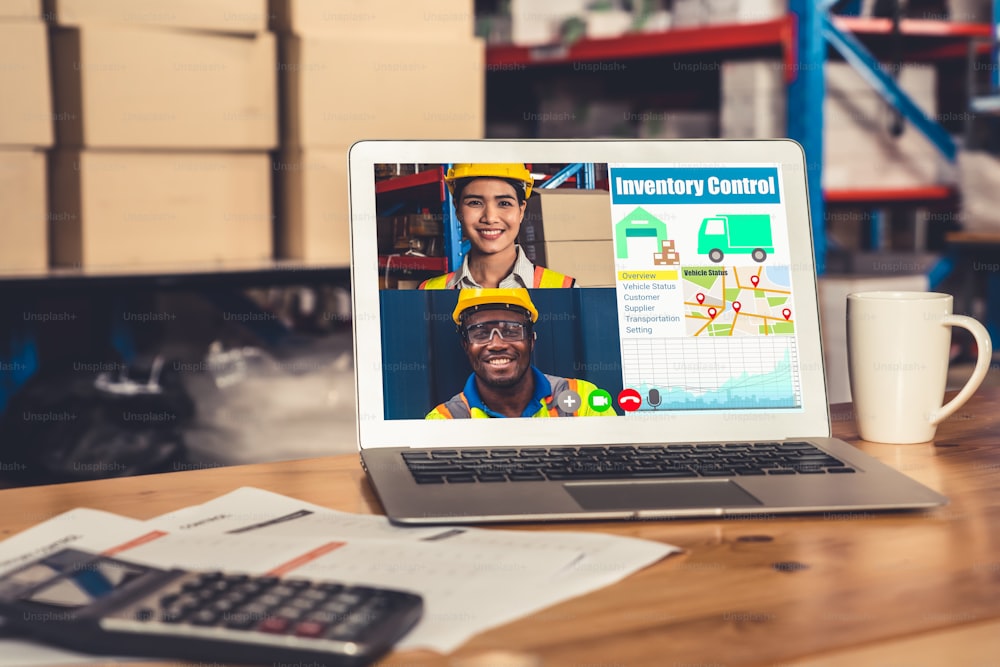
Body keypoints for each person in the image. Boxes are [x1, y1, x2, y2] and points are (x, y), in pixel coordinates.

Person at [426, 288, 613, 419]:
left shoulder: (585, 399)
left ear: (531, 340)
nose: (497, 344)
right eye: (481, 333)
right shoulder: (445, 420)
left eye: (511, 330)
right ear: (466, 345)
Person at [418, 163, 576, 289]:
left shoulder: (566, 289)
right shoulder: (430, 292)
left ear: (521, 211)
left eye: (504, 203)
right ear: (457, 209)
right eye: (475, 203)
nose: (490, 218)